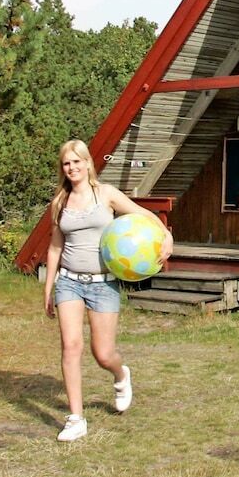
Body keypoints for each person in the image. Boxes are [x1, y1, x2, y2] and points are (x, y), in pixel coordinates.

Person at [43, 139, 173, 442]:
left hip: (103, 284)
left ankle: (120, 374)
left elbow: (143, 215)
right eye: (66, 163)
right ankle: (76, 419)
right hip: (69, 282)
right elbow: (54, 248)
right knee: (70, 346)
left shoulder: (106, 194)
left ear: (88, 163)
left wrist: (166, 236)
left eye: (77, 161)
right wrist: (49, 289)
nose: (72, 167)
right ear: (62, 168)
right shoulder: (60, 203)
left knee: (102, 354)